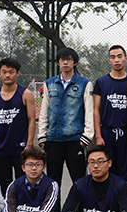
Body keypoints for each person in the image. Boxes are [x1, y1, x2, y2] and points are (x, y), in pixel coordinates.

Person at [37, 47, 94, 187]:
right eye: (62, 59)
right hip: (53, 140)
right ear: (58, 62)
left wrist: (86, 137)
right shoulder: (49, 83)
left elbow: (89, 113)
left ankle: (80, 203)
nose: (65, 62)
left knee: (80, 182)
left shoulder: (84, 84)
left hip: (75, 141)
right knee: (53, 183)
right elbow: (44, 112)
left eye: (69, 59)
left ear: (75, 62)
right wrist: (42, 136)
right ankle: (54, 203)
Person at [0, 57, 36, 196]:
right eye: (4, 72)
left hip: (21, 150)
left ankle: (23, 210)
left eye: (11, 72)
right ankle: (4, 210)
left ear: (17, 73)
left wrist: (29, 145)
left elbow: (32, 120)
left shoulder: (25, 94)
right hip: (0, 150)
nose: (7, 75)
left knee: (24, 187)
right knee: (2, 189)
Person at [94, 45, 127, 185]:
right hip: (107, 133)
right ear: (109, 60)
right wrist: (98, 136)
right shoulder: (101, 82)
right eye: (113, 57)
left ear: (126, 59)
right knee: (106, 173)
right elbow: (96, 110)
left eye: (119, 56)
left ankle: (125, 200)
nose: (116, 60)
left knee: (126, 176)